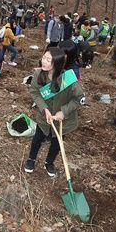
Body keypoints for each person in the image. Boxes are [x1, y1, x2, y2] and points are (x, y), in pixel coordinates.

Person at [24, 48, 85, 177]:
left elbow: (80, 99)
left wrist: (63, 112)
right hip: (44, 116)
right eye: (44, 57)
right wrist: (44, 109)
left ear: (57, 64)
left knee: (57, 141)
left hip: (63, 119)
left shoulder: (68, 79)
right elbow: (35, 92)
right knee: (38, 138)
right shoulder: (39, 74)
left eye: (48, 60)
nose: (44, 62)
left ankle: (49, 162)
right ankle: (31, 159)